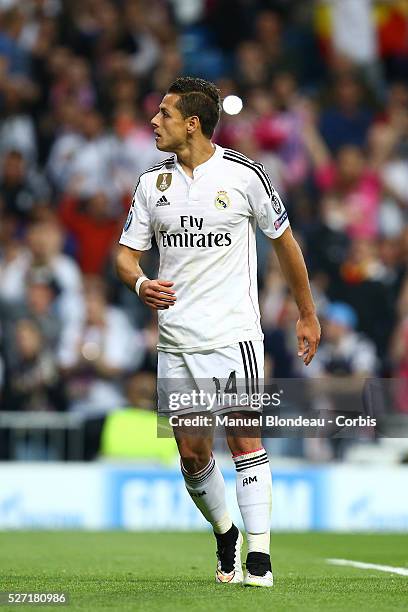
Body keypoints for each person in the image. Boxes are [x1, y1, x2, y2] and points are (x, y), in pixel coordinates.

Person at [116, 77, 320, 587]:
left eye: (163, 114)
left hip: (232, 335)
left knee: (244, 438)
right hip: (175, 342)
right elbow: (125, 256)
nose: (153, 122)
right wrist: (141, 283)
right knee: (192, 455)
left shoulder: (246, 175)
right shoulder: (151, 184)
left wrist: (307, 313)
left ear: (192, 123)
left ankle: (261, 557)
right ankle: (225, 532)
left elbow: (285, 244)